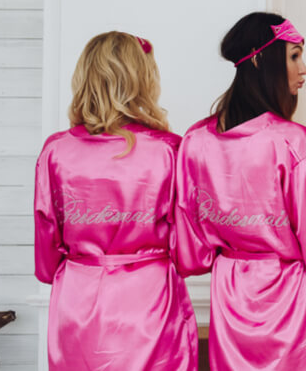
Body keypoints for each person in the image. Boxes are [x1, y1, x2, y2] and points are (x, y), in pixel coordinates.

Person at [173, 13, 306, 370]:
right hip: (292, 302)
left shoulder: (195, 142)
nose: (305, 69)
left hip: (232, 297)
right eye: (295, 56)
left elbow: (191, 252)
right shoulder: (292, 142)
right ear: (260, 59)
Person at [34, 31, 197, 370]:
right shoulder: (169, 150)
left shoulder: (56, 151)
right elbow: (188, 253)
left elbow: (46, 257)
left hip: (77, 302)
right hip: (149, 302)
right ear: (142, 79)